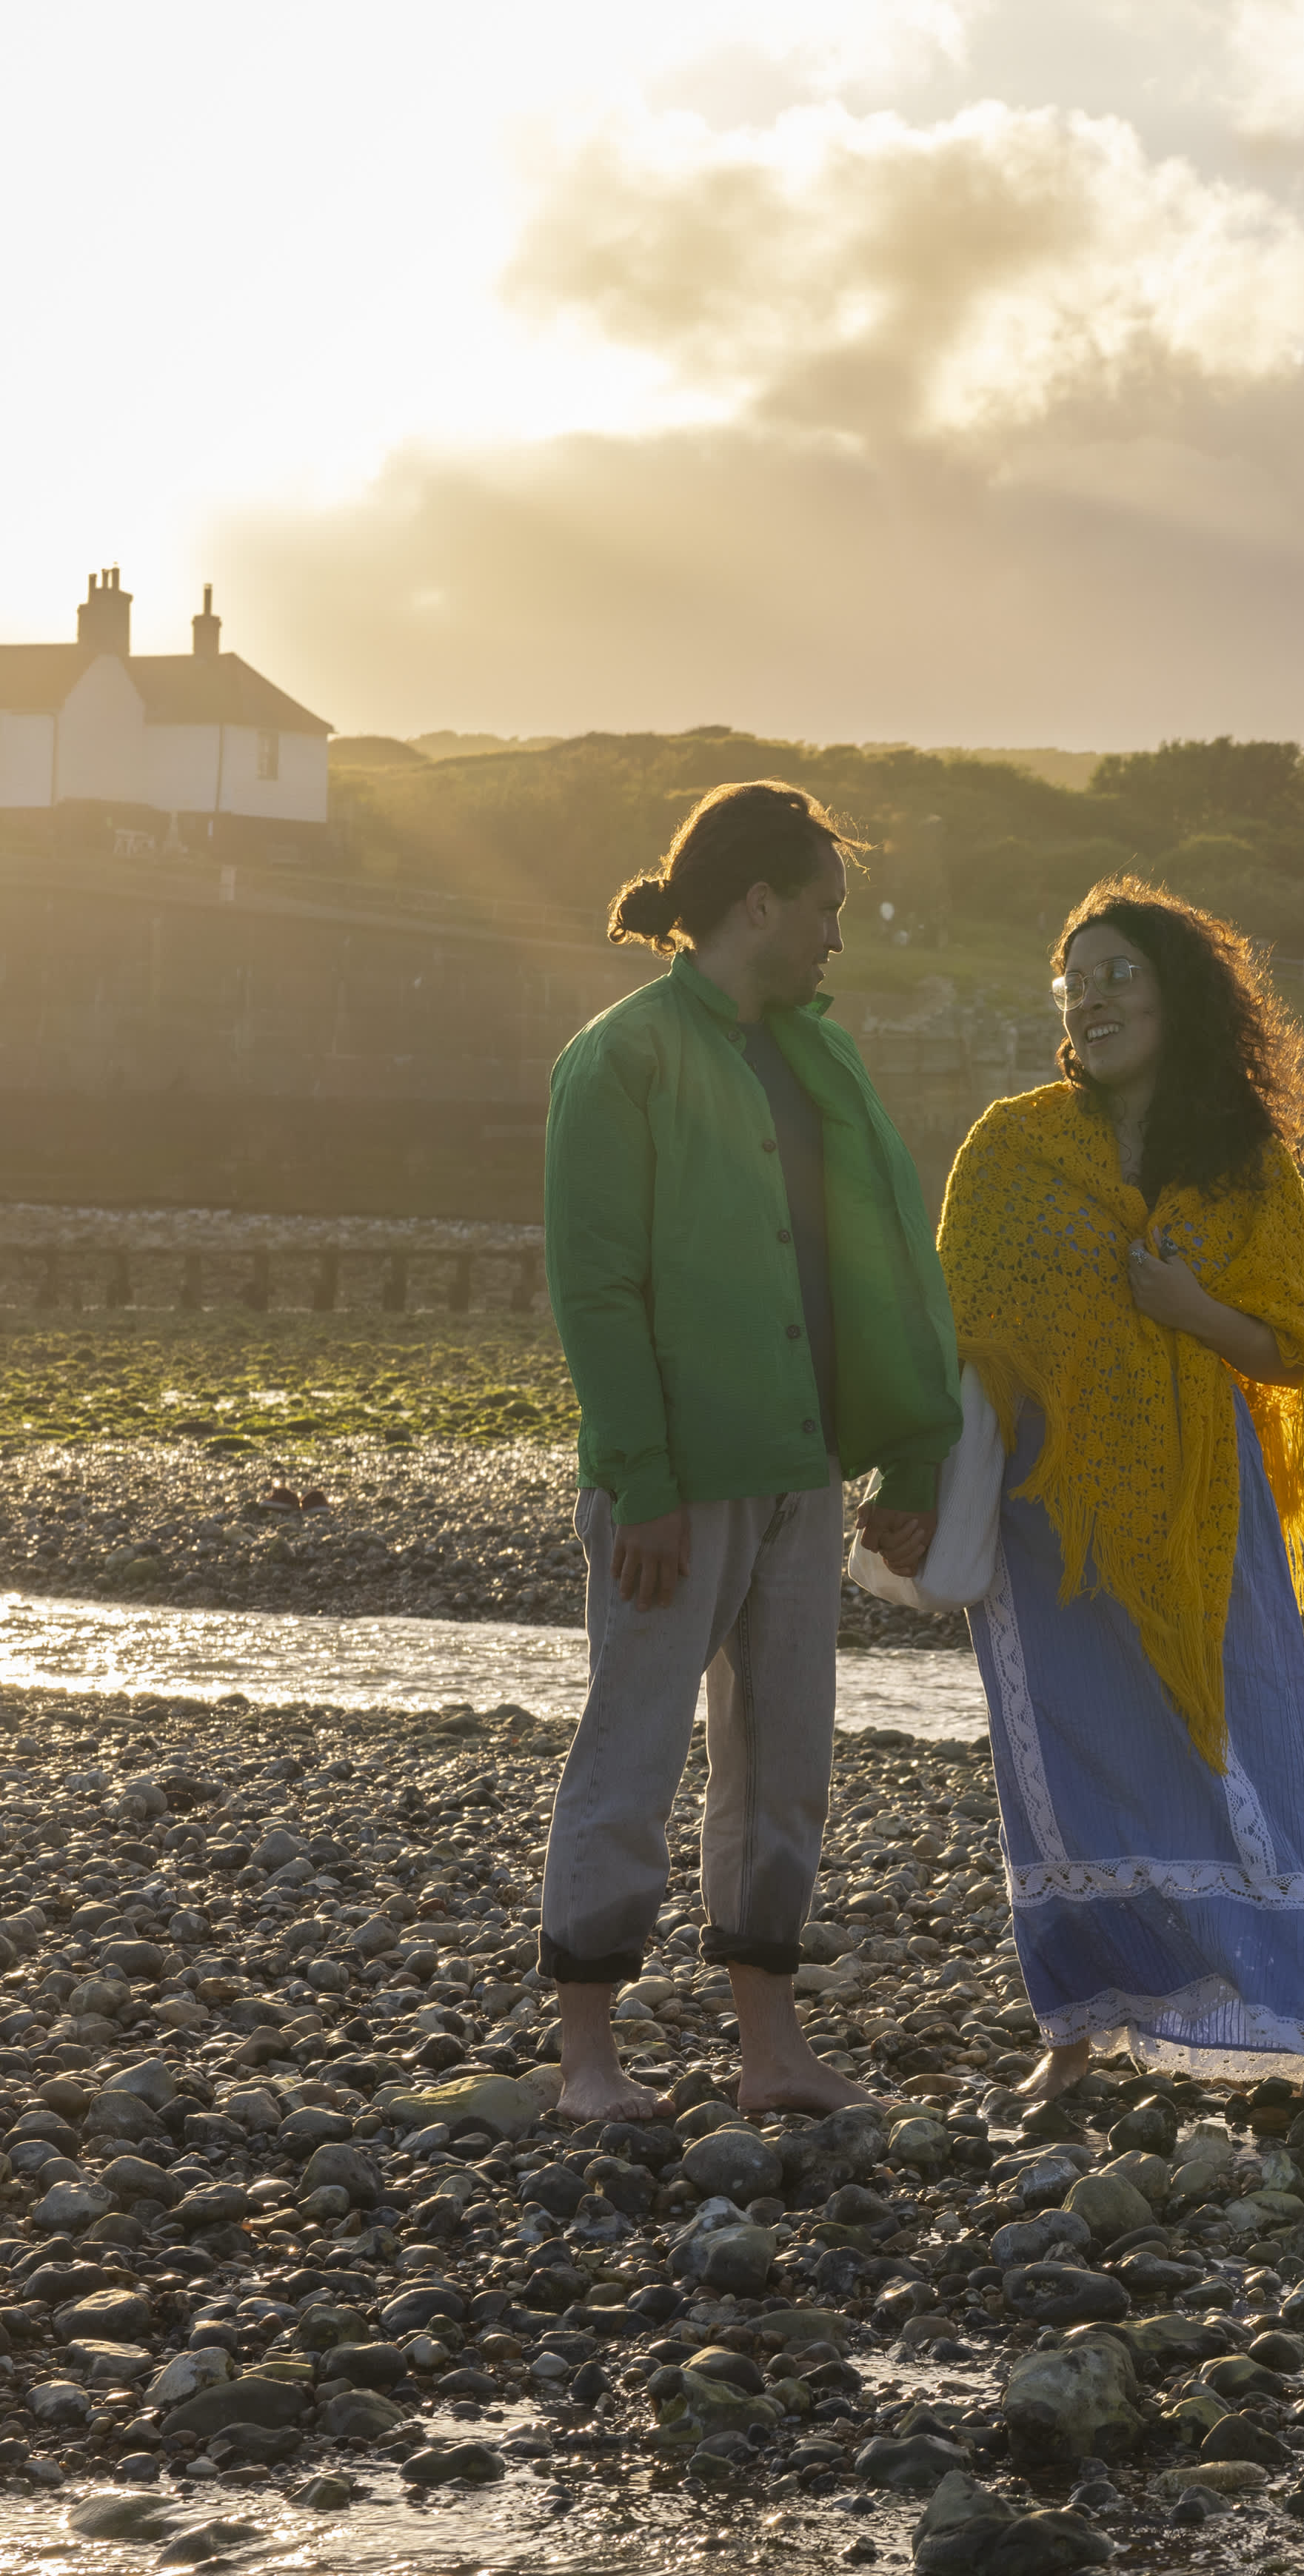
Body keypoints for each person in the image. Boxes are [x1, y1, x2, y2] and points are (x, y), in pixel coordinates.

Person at [937, 879, 1304, 2121]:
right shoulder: (1014, 1147)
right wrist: (908, 1482)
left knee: (1251, 1747)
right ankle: (1077, 2031)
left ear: (1179, 996)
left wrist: (1186, 1313)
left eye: (1120, 976)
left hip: (1207, 1508)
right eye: (1075, 981)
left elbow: (1290, 1351)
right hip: (1052, 1512)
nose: (1092, 1000)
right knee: (1061, 1747)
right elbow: (962, 1329)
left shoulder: (1245, 1165)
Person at [536, 780, 963, 2124]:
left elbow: (878, 1257)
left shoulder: (817, 1054)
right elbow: (596, 1290)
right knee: (637, 1746)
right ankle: (589, 2064)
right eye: (826, 906)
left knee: (785, 1760)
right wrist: (644, 1482)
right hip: (674, 1478)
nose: (839, 935)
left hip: (801, 1465)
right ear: (759, 902)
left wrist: (911, 1458)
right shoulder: (622, 1056)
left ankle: (770, 2053)